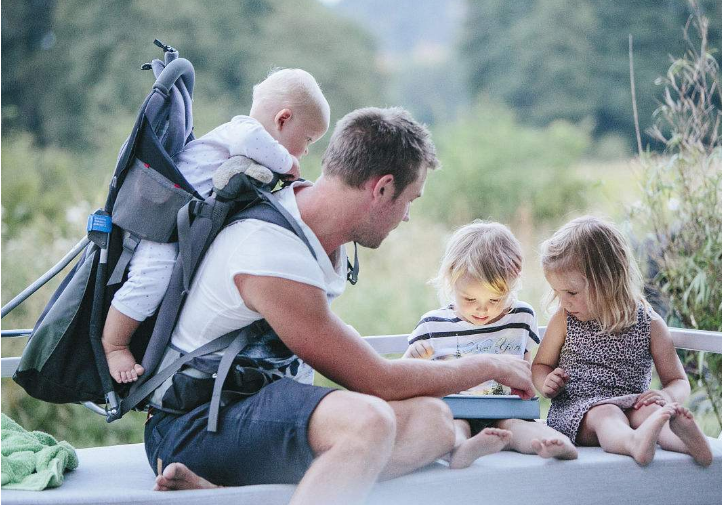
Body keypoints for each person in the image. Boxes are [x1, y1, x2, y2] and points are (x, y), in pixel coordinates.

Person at [146, 107, 537, 505]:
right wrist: (490, 364)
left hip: (261, 410)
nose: (406, 217)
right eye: (409, 200)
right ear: (382, 188)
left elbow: (358, 359)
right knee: (368, 422)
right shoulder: (269, 251)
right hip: (197, 424)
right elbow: (376, 381)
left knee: (434, 423)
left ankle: (231, 492)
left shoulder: (313, 228)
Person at [103, 68, 330, 383]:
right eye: (307, 140)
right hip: (159, 226)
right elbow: (253, 142)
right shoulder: (243, 131)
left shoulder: (247, 142)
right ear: (282, 119)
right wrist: (287, 162)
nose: (305, 151)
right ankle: (114, 344)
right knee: (150, 280)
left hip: (179, 228)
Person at [534, 216, 713, 466]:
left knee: (651, 412)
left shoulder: (649, 323)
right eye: (558, 293)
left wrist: (666, 397)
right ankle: (633, 443)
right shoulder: (564, 320)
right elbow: (540, 365)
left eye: (571, 292)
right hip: (580, 411)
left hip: (631, 404)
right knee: (606, 413)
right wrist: (546, 383)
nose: (564, 302)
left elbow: (678, 380)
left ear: (607, 282)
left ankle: (692, 445)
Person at [403, 221, 578, 469]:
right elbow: (404, 376)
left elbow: (525, 367)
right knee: (454, 427)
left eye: (496, 299)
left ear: (513, 280)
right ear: (451, 279)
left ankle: (551, 444)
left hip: (504, 409)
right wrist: (414, 356)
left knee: (517, 427)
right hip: (455, 409)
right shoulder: (434, 324)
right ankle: (461, 449)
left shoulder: (521, 317)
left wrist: (528, 388)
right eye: (470, 298)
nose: (482, 309)